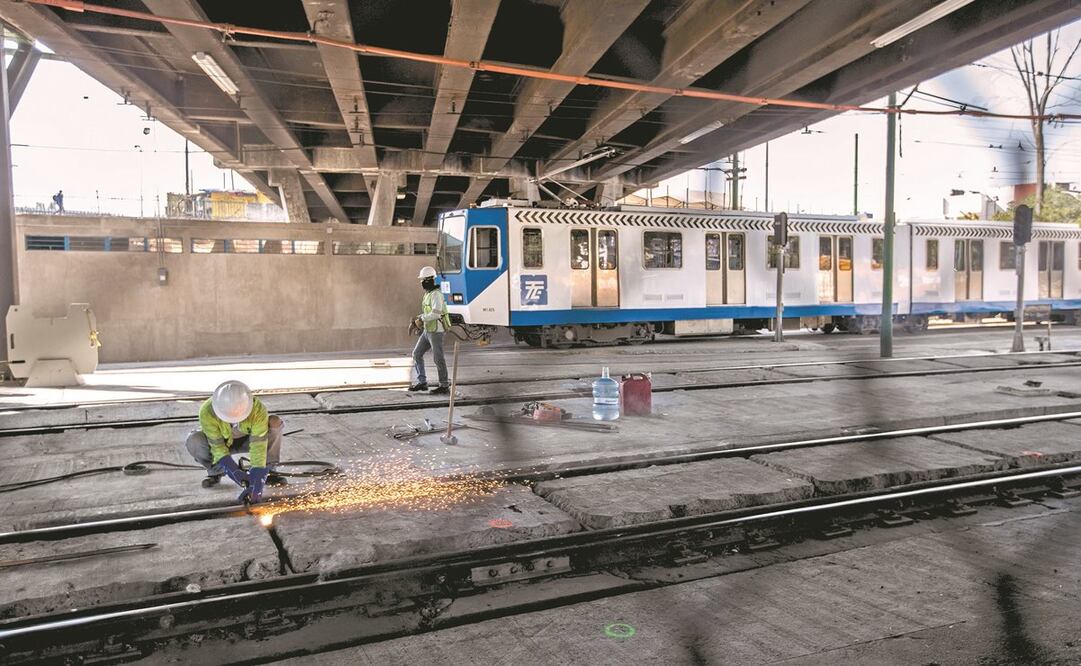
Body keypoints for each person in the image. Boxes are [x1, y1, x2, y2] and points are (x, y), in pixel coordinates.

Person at [184, 380, 286, 503]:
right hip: (223, 441)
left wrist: (258, 474)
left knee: (274, 422)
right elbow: (217, 446)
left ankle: (268, 471)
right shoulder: (207, 411)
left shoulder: (257, 409)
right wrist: (231, 468)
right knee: (195, 440)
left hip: (247, 439)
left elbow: (258, 445)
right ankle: (216, 471)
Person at [410, 266, 451, 395]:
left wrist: (421, 318)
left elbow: (436, 313)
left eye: (422, 280)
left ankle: (444, 386)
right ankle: (422, 383)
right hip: (428, 330)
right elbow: (427, 312)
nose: (421, 282)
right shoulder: (427, 294)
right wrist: (419, 322)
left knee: (438, 358)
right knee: (416, 354)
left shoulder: (436, 295)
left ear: (428, 280)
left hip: (436, 331)